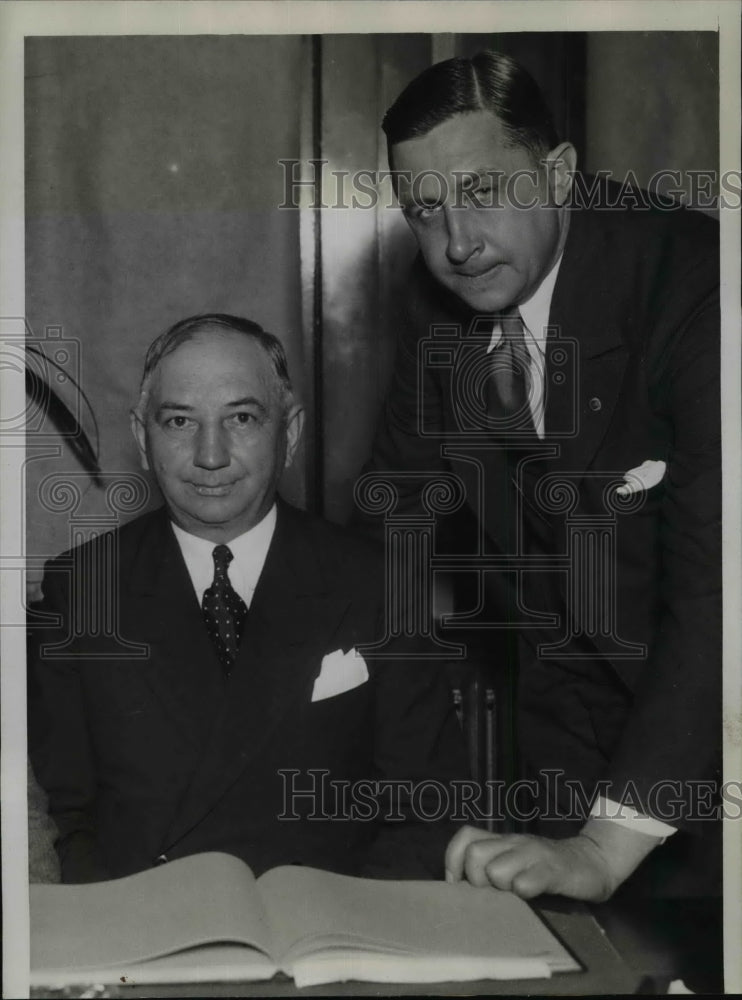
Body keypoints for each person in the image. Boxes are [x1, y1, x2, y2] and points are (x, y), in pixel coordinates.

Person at [360, 51, 721, 905]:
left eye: (484, 191)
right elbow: (390, 525)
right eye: (425, 209)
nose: (456, 241)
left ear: (558, 175)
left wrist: (601, 847)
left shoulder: (701, 286)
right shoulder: (438, 302)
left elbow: (722, 598)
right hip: (571, 741)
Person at [28, 313, 467, 884]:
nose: (211, 454)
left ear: (290, 433)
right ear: (141, 437)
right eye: (180, 420)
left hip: (332, 933)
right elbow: (63, 821)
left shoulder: (379, 584)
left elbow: (429, 810)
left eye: (241, 418)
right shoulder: (79, 591)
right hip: (146, 931)